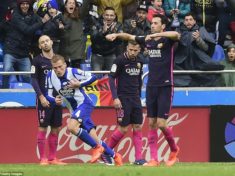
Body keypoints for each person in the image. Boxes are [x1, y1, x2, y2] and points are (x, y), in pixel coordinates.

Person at [106, 14, 180, 166]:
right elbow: (130, 36)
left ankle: (174, 149)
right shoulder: (148, 40)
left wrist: (157, 34)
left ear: (162, 26)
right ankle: (154, 159)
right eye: (151, 23)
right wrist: (116, 34)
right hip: (151, 86)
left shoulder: (168, 40)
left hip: (166, 85)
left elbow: (176, 34)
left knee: (161, 123)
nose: (152, 25)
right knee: (151, 123)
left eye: (155, 23)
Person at [45, 54, 123, 166]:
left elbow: (94, 77)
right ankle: (115, 156)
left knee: (71, 127)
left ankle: (97, 148)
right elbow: (48, 95)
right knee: (95, 138)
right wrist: (54, 100)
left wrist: (79, 84)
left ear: (65, 65)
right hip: (74, 110)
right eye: (55, 68)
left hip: (85, 104)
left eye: (60, 67)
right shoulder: (50, 76)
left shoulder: (73, 72)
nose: (58, 70)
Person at [102, 41, 146, 165]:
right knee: (123, 128)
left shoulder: (140, 61)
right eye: (130, 49)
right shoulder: (119, 60)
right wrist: (115, 98)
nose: (132, 52)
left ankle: (138, 159)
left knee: (137, 126)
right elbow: (111, 78)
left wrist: (139, 96)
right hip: (123, 98)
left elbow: (139, 79)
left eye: (135, 50)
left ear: (139, 50)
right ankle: (106, 151)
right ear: (127, 48)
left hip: (136, 99)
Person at [31, 35, 66, 165]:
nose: (45, 43)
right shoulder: (36, 61)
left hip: (57, 100)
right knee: (43, 128)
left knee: (56, 128)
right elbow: (33, 80)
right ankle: (43, 159)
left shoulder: (58, 60)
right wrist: (41, 97)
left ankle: (52, 158)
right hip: (44, 100)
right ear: (40, 46)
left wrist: (63, 96)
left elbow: (64, 79)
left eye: (47, 41)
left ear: (51, 42)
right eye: (42, 42)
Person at [2, 0, 50, 88]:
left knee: (28, 76)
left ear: (30, 5)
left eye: (27, 4)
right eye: (23, 4)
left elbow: (43, 22)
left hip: (24, 53)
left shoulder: (33, 15)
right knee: (6, 71)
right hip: (11, 51)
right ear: (19, 5)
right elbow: (27, 30)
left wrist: (53, 15)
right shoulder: (15, 15)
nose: (25, 6)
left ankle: (29, 95)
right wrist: (42, 22)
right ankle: (3, 92)